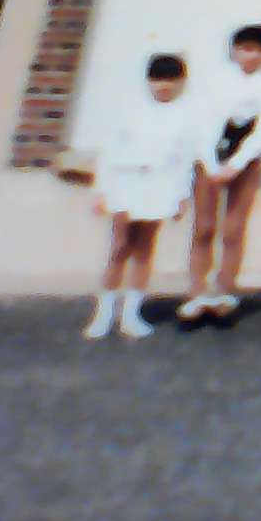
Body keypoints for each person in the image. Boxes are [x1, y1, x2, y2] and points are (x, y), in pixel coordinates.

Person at [83, 53, 201, 340]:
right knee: (120, 247)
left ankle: (131, 314)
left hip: (159, 184)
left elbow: (185, 160)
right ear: (148, 81)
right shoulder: (129, 110)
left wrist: (181, 196)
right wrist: (102, 190)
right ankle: (104, 313)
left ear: (181, 83)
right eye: (157, 79)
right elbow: (109, 153)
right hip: (127, 182)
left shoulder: (186, 116)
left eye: (170, 80)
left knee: (145, 249)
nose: (163, 86)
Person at [181, 23, 261, 322]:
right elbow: (203, 119)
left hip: (247, 160)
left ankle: (225, 290)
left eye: (259, 50)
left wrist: (237, 163)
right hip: (210, 158)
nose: (251, 56)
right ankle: (196, 292)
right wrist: (211, 163)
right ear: (234, 50)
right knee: (203, 227)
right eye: (246, 48)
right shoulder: (217, 78)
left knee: (233, 228)